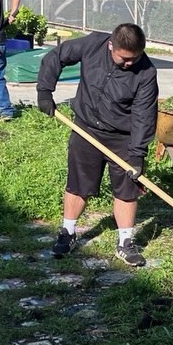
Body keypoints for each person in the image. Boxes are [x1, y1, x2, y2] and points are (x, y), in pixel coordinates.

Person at [36, 23, 158, 267]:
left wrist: (137, 154)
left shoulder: (146, 72)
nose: (130, 63)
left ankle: (125, 243)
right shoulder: (92, 44)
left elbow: (144, 115)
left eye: (135, 58)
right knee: (79, 183)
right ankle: (67, 232)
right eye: (125, 58)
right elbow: (56, 57)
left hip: (122, 136)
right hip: (86, 128)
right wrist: (44, 92)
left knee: (127, 188)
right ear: (111, 45)